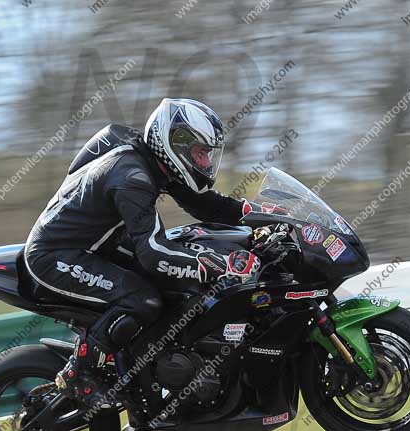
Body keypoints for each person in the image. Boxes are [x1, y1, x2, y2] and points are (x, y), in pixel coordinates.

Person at [24, 98, 263, 409]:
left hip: (97, 246)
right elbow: (153, 252)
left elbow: (207, 206)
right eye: (200, 152)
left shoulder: (157, 161)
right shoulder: (132, 178)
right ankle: (78, 375)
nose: (205, 162)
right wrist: (215, 265)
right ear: (176, 143)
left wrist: (261, 214)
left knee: (172, 288)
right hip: (57, 255)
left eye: (207, 154)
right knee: (143, 298)